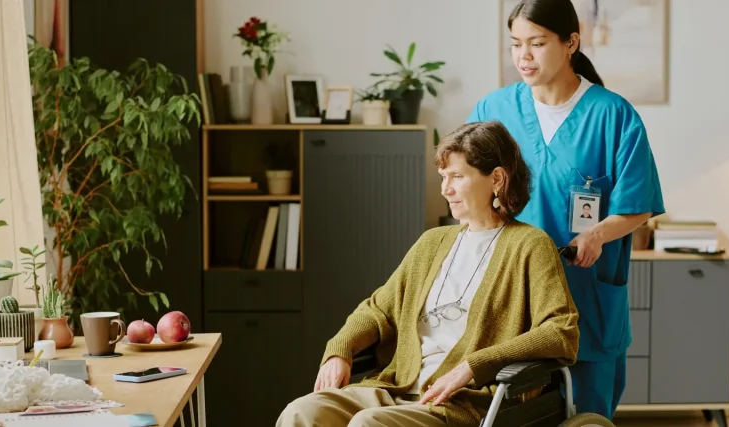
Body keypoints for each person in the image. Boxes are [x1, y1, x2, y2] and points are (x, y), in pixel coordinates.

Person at [275, 121, 580, 427]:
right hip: (397, 387)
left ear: (497, 179)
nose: (446, 189)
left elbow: (560, 330)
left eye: (457, 177)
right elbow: (377, 309)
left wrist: (474, 366)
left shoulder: (530, 245)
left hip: (464, 401)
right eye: (443, 177)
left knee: (368, 425)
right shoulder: (432, 243)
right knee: (300, 413)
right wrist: (340, 350)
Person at [466, 0, 665, 419]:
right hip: (514, 297)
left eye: (537, 43)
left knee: (587, 418)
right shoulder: (493, 111)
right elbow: (466, 189)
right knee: (509, 412)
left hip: (584, 295)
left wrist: (597, 234)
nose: (524, 56)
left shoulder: (614, 116)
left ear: (571, 42)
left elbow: (637, 205)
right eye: (515, 44)